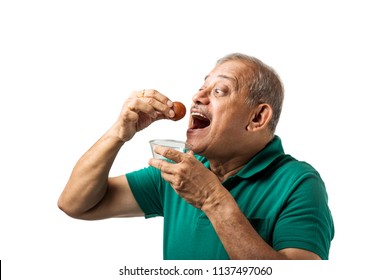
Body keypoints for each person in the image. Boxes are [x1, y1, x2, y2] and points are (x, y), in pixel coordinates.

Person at [58, 53, 334, 260]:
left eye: (219, 91)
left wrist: (213, 200)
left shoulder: (299, 183)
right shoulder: (182, 172)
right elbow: (76, 204)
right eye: (202, 87)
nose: (196, 97)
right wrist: (118, 133)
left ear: (257, 117)